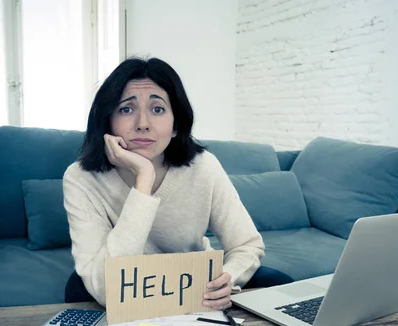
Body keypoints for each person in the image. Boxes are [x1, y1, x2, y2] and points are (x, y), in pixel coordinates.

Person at [63, 57, 290, 311]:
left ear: (175, 126)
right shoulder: (80, 178)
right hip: (130, 288)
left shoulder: (203, 166)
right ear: (107, 121)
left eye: (157, 109)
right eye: (126, 109)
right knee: (77, 289)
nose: (142, 123)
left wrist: (227, 280)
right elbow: (108, 289)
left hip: (196, 285)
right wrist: (144, 178)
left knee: (278, 282)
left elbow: (246, 244)